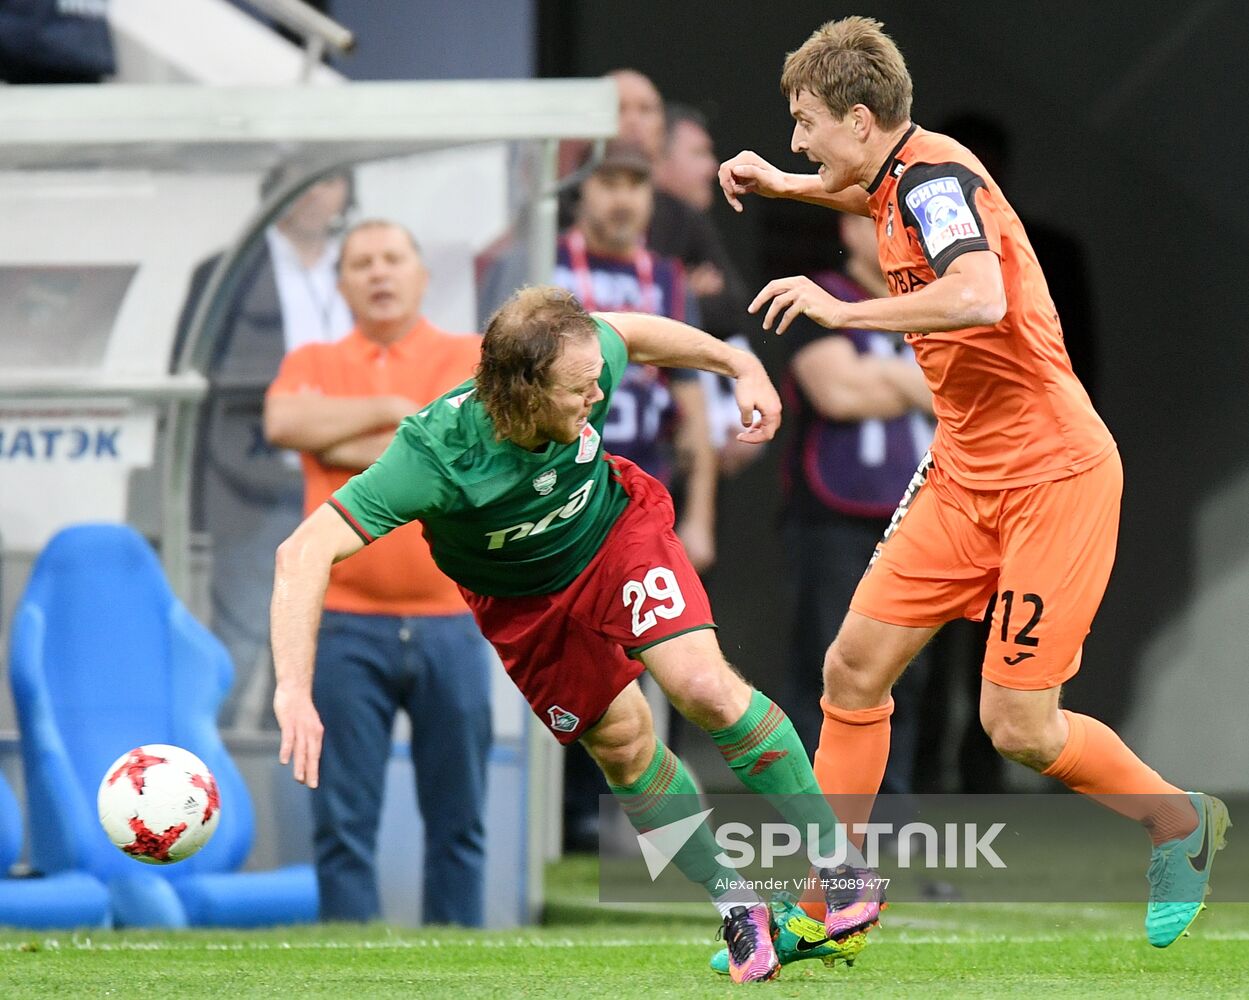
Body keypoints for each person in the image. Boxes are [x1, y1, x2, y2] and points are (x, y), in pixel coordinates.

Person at [719, 14, 1227, 955]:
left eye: (803, 124)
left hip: (1053, 477)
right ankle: (836, 901)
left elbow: (977, 294)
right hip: (962, 475)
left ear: (861, 120)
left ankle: (1179, 826)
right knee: (850, 670)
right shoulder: (896, 176)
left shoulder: (937, 181)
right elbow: (871, 202)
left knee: (1017, 725)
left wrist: (845, 307)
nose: (796, 140)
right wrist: (783, 181)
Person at [270, 285, 876, 982]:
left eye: (596, 381)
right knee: (622, 746)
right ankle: (739, 906)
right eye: (578, 390)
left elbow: (635, 335)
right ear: (521, 392)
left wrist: (741, 368)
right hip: (523, 603)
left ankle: (840, 869)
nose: (597, 398)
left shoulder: (581, 360)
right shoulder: (432, 456)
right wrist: (293, 688)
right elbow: (303, 552)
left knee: (702, 686)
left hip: (615, 535)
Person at [264, 219, 493, 926]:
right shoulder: (310, 359)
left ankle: (458, 963)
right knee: (340, 821)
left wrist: (347, 438)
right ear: (340, 285)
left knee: (459, 820)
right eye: (360, 263)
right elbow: (283, 424)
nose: (378, 273)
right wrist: (402, 417)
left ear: (423, 277)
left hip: (453, 620)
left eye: (393, 259)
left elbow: (471, 454)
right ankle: (346, 965)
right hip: (341, 625)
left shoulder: (471, 355)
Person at [553, 139, 717, 850]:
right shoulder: (546, 265)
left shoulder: (668, 278)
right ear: (580, 192)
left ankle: (655, 823)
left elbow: (692, 402)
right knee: (570, 647)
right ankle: (567, 819)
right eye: (608, 184)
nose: (622, 199)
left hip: (639, 485)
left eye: (636, 185)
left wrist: (702, 514)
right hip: (556, 482)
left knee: (662, 645)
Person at [174, 169, 354, 730]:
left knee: (321, 659)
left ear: (346, 192)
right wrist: (194, 503)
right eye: (299, 180)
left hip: (340, 486)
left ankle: (292, 802)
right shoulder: (226, 271)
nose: (313, 191)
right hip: (249, 488)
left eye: (328, 180)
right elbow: (189, 395)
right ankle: (200, 787)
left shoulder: (359, 267)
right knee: (237, 647)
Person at [779, 212, 934, 796]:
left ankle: (889, 814)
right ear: (848, 230)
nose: (902, 238)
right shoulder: (817, 300)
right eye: (881, 224)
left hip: (920, 519)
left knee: (906, 673)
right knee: (828, 663)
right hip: (833, 518)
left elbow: (976, 395)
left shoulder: (937, 306)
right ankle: (815, 815)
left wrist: (880, 375)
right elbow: (838, 392)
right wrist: (918, 381)